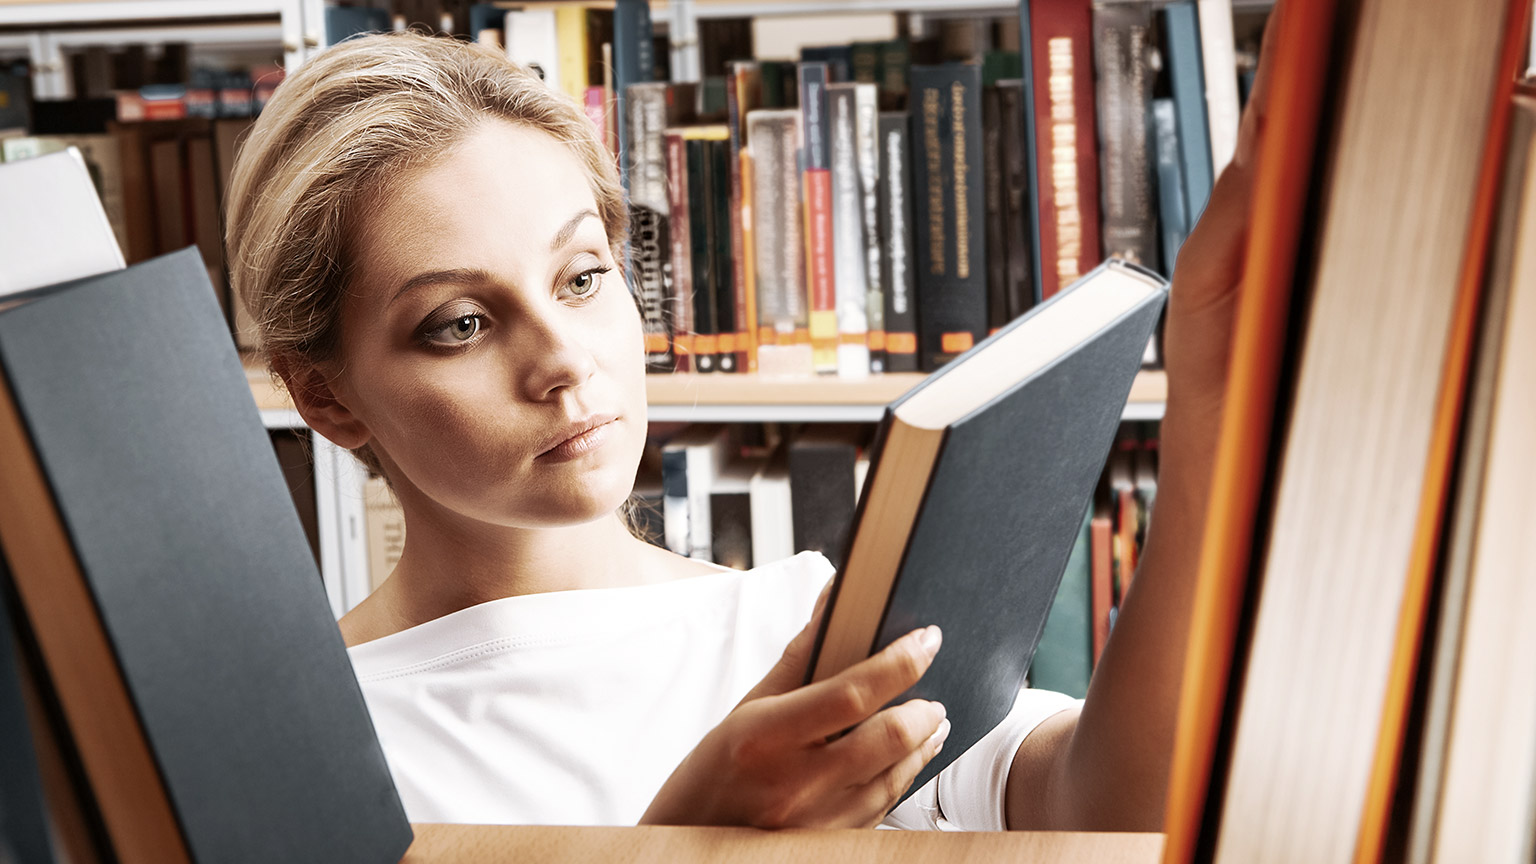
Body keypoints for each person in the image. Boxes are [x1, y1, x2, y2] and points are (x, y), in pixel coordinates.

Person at [224, 7, 1270, 831]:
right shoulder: (299, 761)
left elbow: (1108, 813)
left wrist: (1212, 437)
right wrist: (695, 838)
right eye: (458, 322)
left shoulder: (803, 626)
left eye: (583, 276)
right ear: (325, 395)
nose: (561, 361)